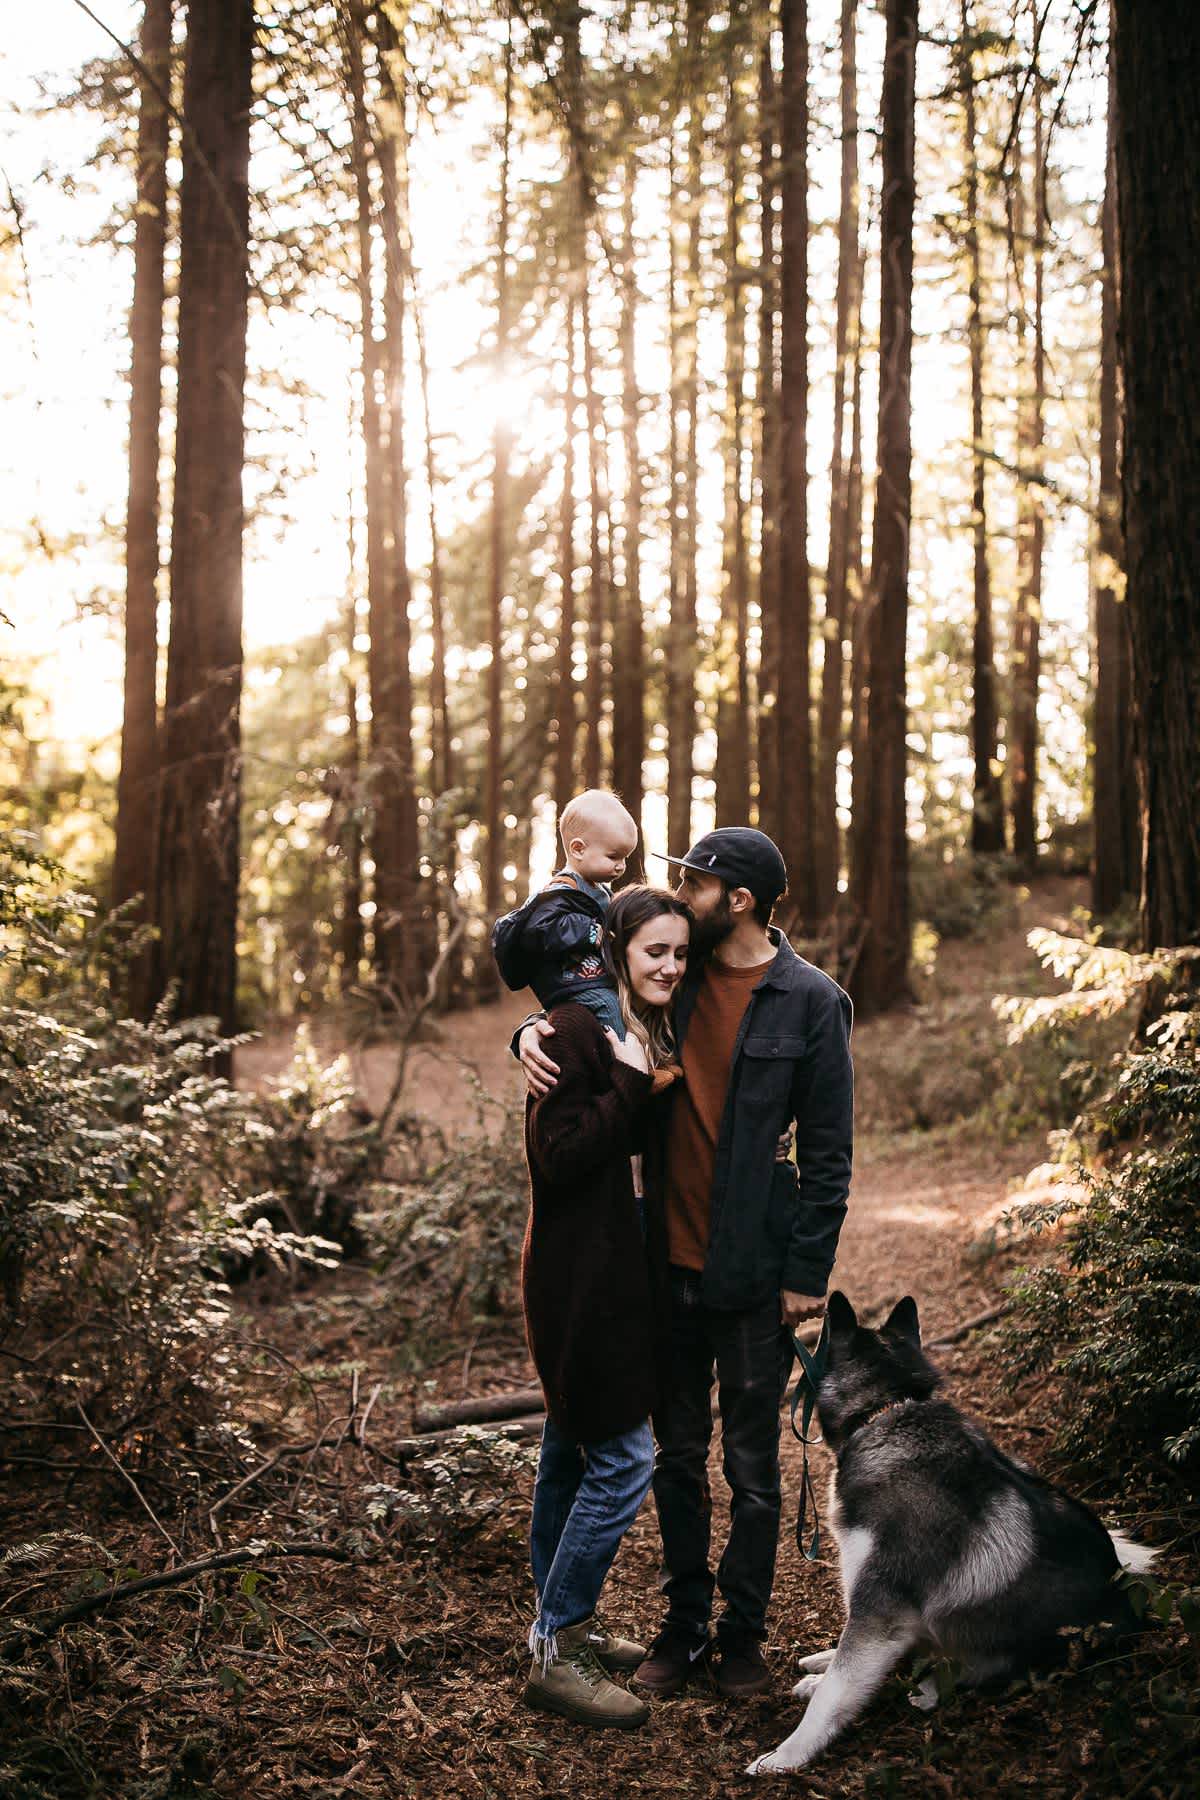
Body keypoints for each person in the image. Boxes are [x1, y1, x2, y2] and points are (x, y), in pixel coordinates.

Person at [519, 827, 854, 1702]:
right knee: (674, 1459)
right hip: (659, 1265)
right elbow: (585, 997)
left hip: (752, 1276)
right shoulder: (677, 973)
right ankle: (683, 1625)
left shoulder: (811, 1001)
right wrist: (530, 1028)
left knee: (750, 1472)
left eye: (695, 884)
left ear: (736, 900)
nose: (678, 899)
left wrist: (804, 1276)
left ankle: (742, 1638)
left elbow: (829, 1153)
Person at [519, 884, 691, 1729]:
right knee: (624, 1460)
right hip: (576, 1282)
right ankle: (557, 1642)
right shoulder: (582, 1032)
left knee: (566, 1454)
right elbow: (558, 1155)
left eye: (680, 952)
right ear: (617, 947)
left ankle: (563, 1635)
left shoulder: (632, 1030)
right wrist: (628, 1087)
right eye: (654, 950)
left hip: (613, 1277)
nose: (669, 965)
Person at [491, 789, 640, 1039]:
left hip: (591, 975)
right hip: (570, 981)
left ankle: (645, 1055)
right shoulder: (560, 892)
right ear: (578, 849)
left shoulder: (600, 890)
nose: (621, 866)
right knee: (610, 1007)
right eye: (613, 856)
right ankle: (624, 1063)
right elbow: (539, 930)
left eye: (625, 858)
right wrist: (590, 931)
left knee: (629, 1003)